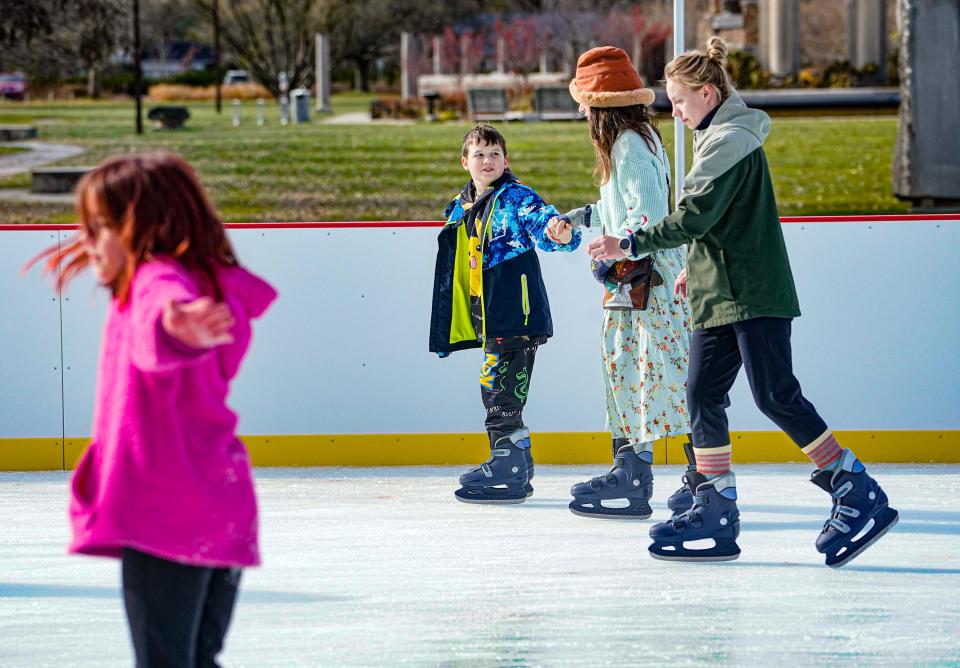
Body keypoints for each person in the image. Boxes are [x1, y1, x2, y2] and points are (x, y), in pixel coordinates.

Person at [587, 37, 898, 566]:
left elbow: (695, 217)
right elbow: (717, 224)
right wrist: (694, 267)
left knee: (776, 394)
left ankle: (854, 487)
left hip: (753, 290)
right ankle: (715, 504)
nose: (674, 110)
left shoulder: (730, 139)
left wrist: (630, 243)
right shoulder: (717, 137)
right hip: (718, 290)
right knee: (702, 395)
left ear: (707, 93)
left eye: (680, 100)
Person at [28, 152, 277, 663]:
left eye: (99, 228)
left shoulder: (155, 281)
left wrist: (174, 326)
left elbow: (154, 318)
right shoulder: (205, 282)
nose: (87, 241)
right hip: (219, 502)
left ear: (144, 227)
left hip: (168, 510)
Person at [546, 46, 695, 520]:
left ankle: (699, 477)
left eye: (584, 101)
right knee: (631, 370)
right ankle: (636, 471)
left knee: (664, 375)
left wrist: (618, 245)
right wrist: (581, 218)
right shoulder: (634, 140)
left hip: (647, 281)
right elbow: (622, 209)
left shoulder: (629, 144)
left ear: (599, 105)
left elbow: (648, 215)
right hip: (638, 280)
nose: (581, 110)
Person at [429, 124, 581, 504]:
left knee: (500, 390)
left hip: (517, 312)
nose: (487, 160)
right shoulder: (461, 206)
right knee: (493, 386)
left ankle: (508, 464)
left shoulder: (516, 197)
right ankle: (516, 462)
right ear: (465, 162)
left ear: (506, 160)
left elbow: (544, 223)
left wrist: (560, 232)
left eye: (494, 154)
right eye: (479, 154)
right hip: (488, 317)